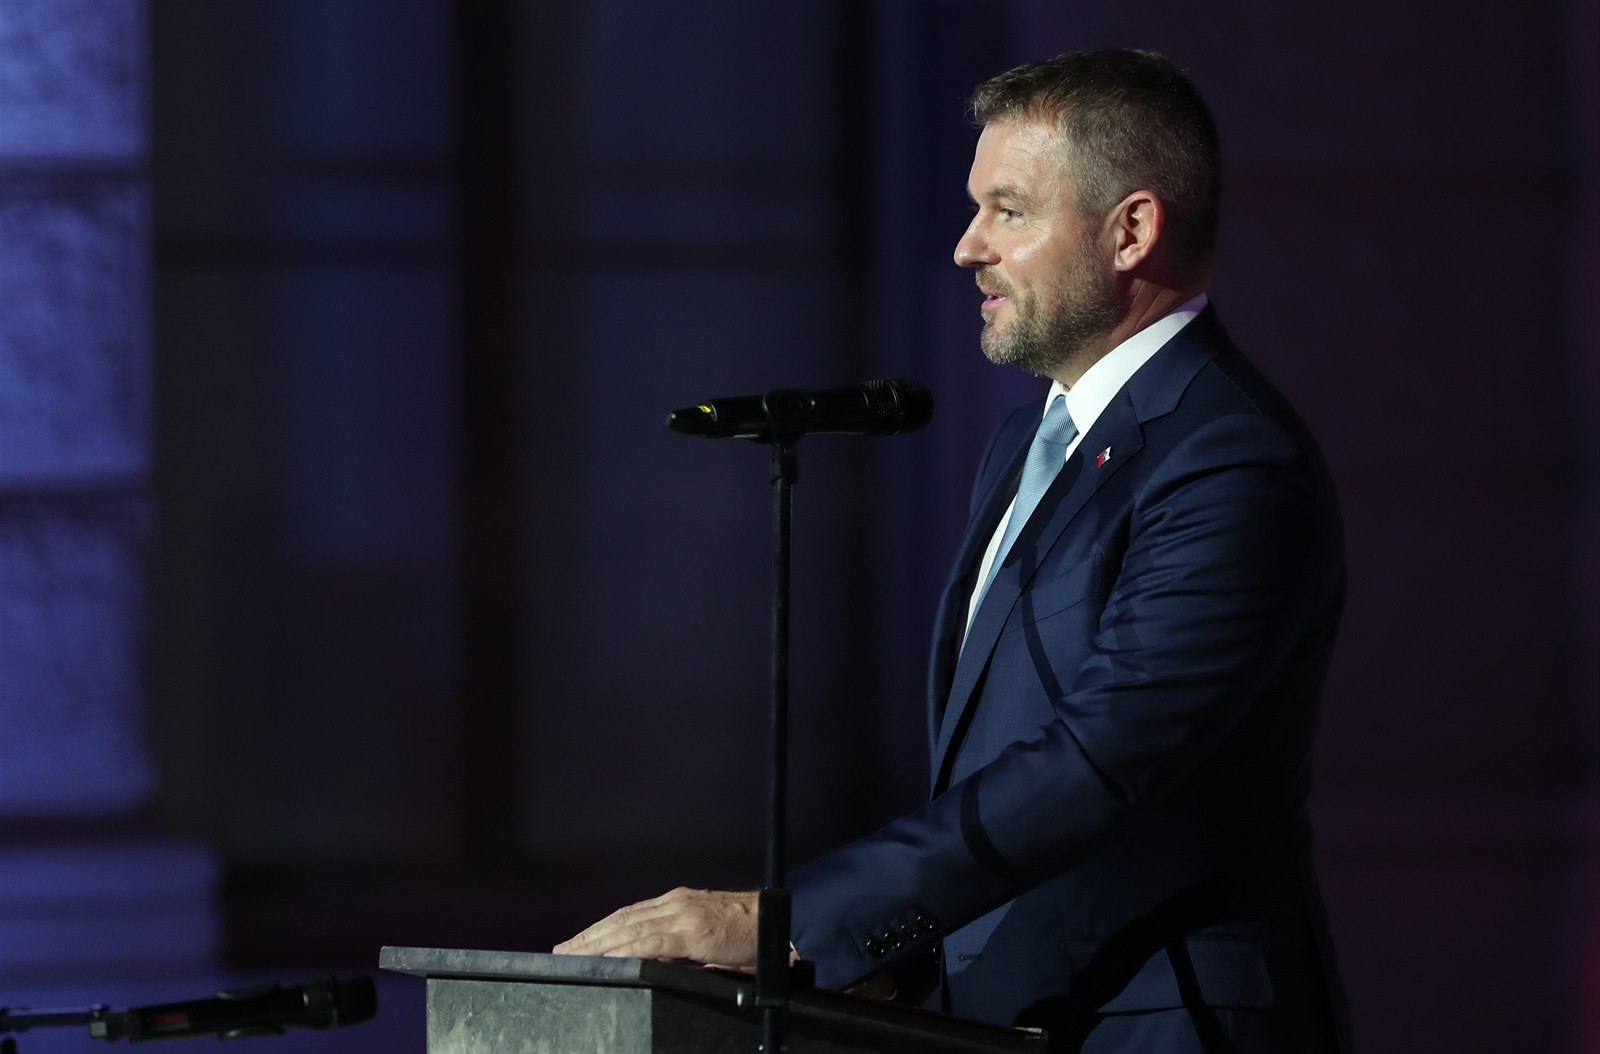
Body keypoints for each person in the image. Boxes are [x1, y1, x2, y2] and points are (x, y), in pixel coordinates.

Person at [556, 49, 1354, 1054]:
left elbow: (1099, 759)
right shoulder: (1025, 443)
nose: (967, 247)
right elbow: (998, 765)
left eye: (1008, 211)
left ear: (1131, 231)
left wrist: (789, 922)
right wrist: (887, 957)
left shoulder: (1229, 458)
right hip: (1004, 1020)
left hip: (1166, 1027)